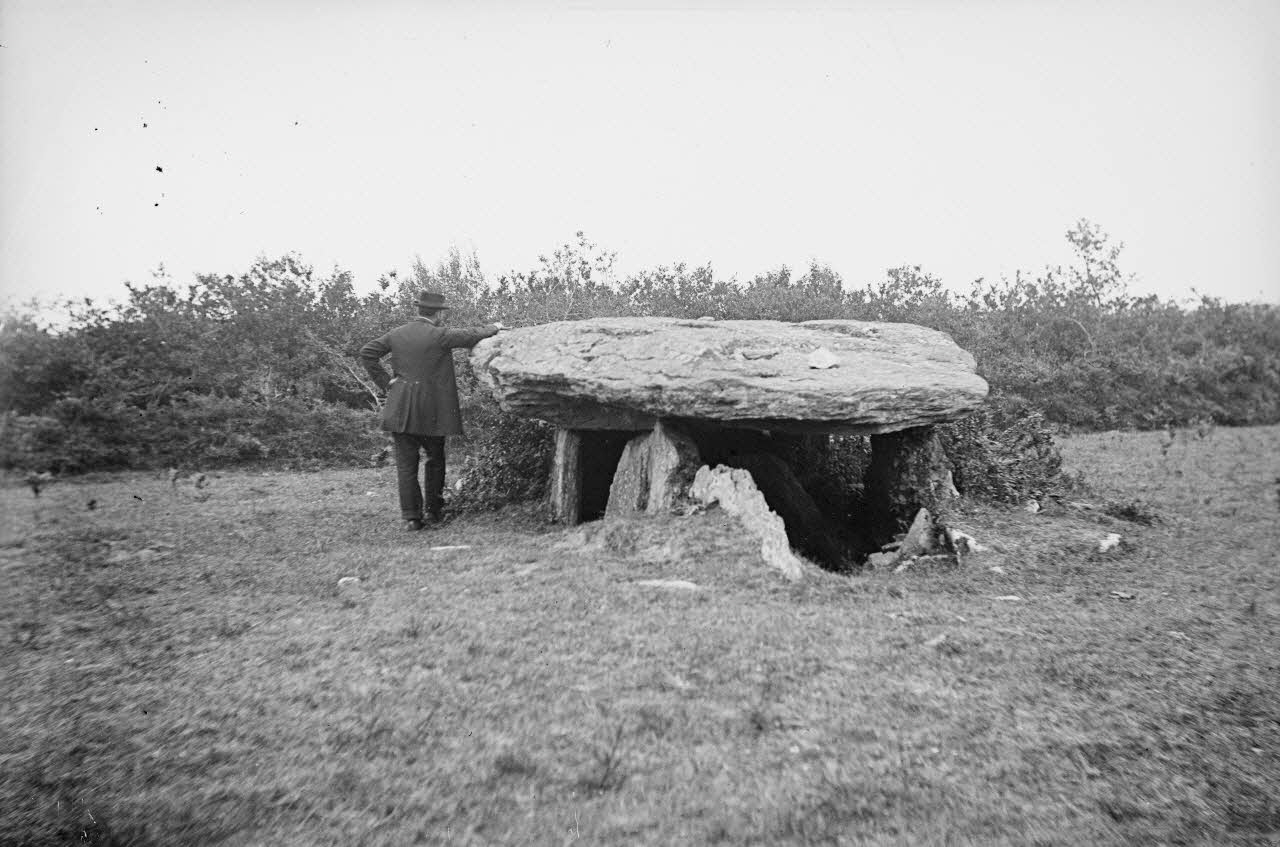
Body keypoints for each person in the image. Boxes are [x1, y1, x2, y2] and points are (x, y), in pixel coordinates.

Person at [360, 291, 504, 531]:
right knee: (435, 460)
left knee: (406, 465)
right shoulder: (440, 335)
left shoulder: (397, 334)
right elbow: (471, 335)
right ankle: (434, 512)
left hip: (401, 410)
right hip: (432, 413)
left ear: (418, 310)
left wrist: (386, 382)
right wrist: (495, 326)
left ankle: (412, 518)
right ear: (437, 313)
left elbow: (368, 353)